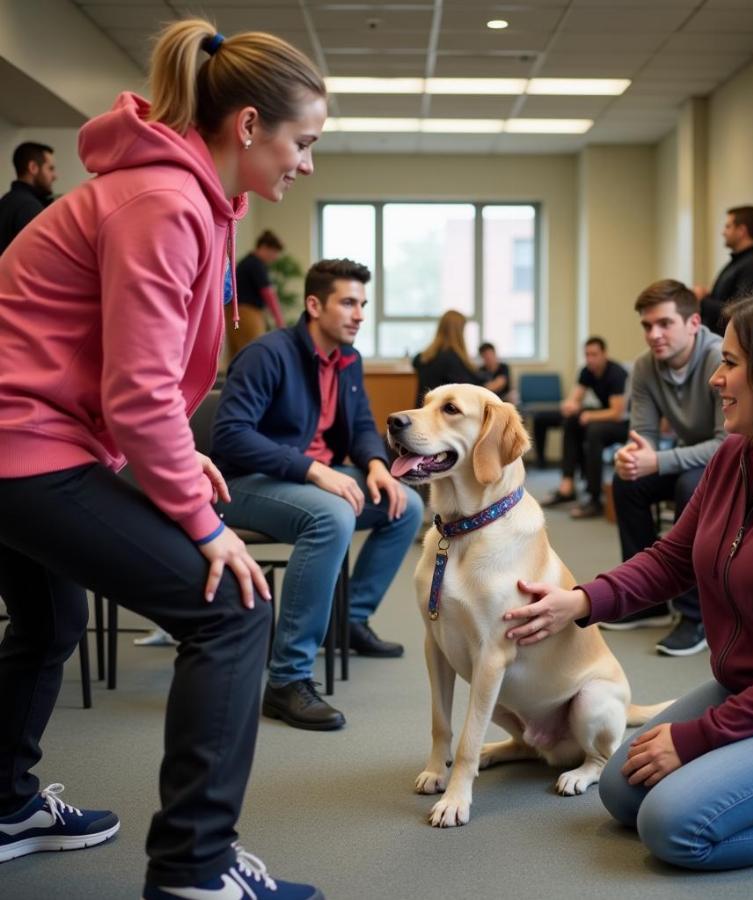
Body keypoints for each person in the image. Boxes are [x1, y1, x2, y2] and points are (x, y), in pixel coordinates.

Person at [0, 18, 329, 900]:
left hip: (28, 438)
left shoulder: (187, 199)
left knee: (47, 622)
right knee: (227, 610)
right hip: (22, 445)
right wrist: (200, 520)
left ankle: (4, 805)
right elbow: (137, 391)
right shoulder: (164, 202)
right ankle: (195, 870)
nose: (307, 162)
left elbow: (136, 383)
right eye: (304, 140)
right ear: (251, 126)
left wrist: (179, 457)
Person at [504, 290, 753, 871]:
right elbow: (673, 559)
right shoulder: (740, 454)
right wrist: (582, 600)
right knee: (622, 791)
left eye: (732, 363)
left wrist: (696, 739)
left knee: (675, 827)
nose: (716, 378)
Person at [211, 258, 422, 732]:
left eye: (363, 304)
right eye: (348, 302)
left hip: (309, 480)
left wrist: (374, 464)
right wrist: (311, 469)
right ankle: (287, 679)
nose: (359, 314)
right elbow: (229, 436)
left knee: (406, 504)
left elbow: (362, 425)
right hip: (243, 484)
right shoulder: (268, 354)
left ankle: (348, 619)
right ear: (313, 305)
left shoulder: (348, 359)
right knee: (332, 516)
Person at [610, 280, 724, 656]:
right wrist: (631, 458)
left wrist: (656, 461)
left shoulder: (719, 357)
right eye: (646, 326)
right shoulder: (645, 367)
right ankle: (648, 598)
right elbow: (643, 435)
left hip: (732, 463)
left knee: (690, 486)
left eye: (664, 324)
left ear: (693, 322)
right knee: (628, 484)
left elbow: (729, 443)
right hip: (690, 454)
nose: (653, 335)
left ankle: (695, 615)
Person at [541, 337, 629, 519]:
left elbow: (617, 412)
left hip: (626, 422)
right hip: (606, 417)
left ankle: (594, 498)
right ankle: (567, 486)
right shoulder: (587, 371)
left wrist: (589, 415)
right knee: (571, 421)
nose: (590, 359)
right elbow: (575, 397)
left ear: (604, 354)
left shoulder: (616, 373)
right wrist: (569, 405)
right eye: (587, 355)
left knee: (593, 430)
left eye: (594, 354)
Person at [695, 205, 753, 335]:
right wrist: (708, 296)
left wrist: (702, 300)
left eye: (728, 226)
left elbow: (741, 312)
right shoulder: (740, 262)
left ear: (741, 231)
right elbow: (729, 300)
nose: (723, 232)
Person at [227, 229, 288, 360]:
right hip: (248, 314)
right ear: (264, 247)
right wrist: (280, 321)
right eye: (274, 252)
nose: (275, 257)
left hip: (234, 313)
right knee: (253, 355)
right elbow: (268, 293)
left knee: (237, 356)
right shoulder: (256, 264)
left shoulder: (246, 262)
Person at [412, 310, 481, 406]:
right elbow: (468, 389)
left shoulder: (421, 358)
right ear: (459, 331)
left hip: (423, 411)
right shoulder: (452, 359)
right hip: (442, 416)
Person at [0, 142, 57, 255]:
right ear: (33, 168)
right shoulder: (29, 207)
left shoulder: (6, 201)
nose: (55, 176)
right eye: (50, 169)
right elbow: (41, 257)